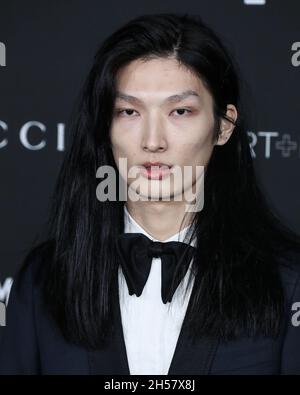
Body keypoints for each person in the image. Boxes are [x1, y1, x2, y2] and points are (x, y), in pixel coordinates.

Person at [1, 12, 300, 375]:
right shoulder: (42, 281)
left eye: (180, 111)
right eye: (129, 111)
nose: (153, 141)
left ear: (223, 126)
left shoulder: (288, 281)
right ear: (104, 126)